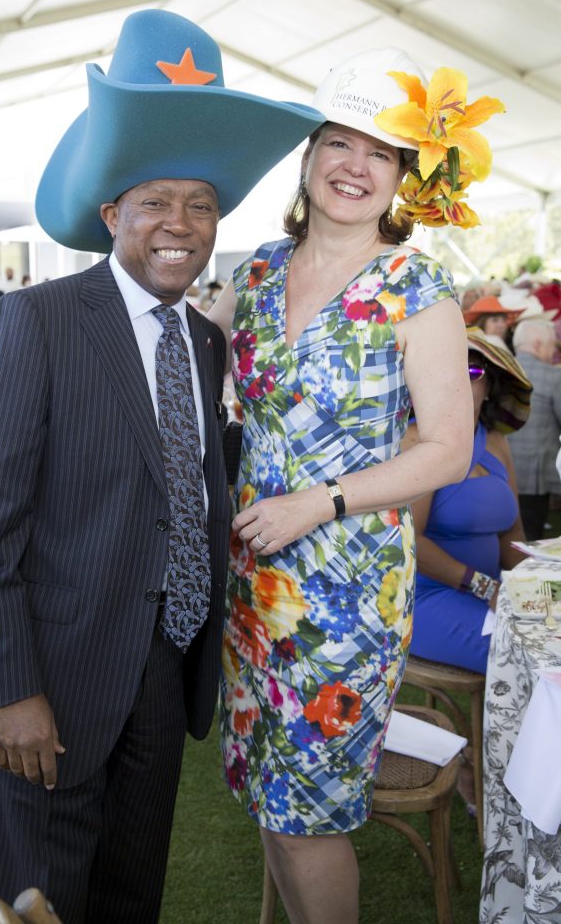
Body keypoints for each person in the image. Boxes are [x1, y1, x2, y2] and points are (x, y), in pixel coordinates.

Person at [0, 8, 322, 924]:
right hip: (53, 672)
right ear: (111, 213)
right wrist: (9, 690)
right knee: (38, 902)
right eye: (154, 202)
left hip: (164, 665)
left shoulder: (200, 340)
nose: (179, 225)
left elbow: (183, 487)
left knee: (128, 895)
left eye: (199, 206)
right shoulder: (34, 322)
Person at [208, 46, 499, 923]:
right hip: (251, 578)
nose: (355, 166)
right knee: (268, 788)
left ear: (402, 178)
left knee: (308, 815)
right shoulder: (253, 272)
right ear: (307, 158)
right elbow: (183, 381)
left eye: (380, 152)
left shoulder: (418, 287)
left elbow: (447, 448)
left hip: (345, 588)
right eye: (339, 142)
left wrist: (322, 499)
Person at [408, 327, 531, 674]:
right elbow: (410, 542)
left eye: (473, 371)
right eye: (448, 367)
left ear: (489, 386)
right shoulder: (416, 441)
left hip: (492, 595)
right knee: (525, 656)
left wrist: (536, 588)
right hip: (428, 600)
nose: (459, 380)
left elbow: (513, 532)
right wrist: (484, 586)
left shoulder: (495, 443)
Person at [508, 317, 561, 539]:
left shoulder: (501, 371)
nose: (553, 353)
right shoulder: (553, 376)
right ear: (538, 344)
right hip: (536, 475)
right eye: (552, 346)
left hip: (501, 469)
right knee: (532, 536)